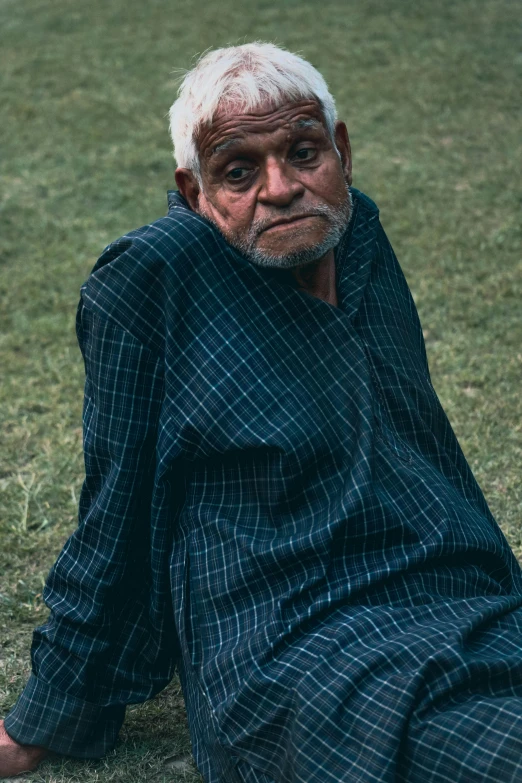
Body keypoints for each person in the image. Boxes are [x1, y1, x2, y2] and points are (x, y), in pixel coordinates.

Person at [2, 41, 522, 783]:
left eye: (304, 152)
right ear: (193, 192)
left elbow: (423, 441)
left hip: (457, 595)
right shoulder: (154, 279)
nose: (280, 188)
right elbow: (115, 514)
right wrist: (44, 717)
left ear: (341, 152)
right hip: (296, 640)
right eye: (239, 171)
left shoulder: (356, 234)